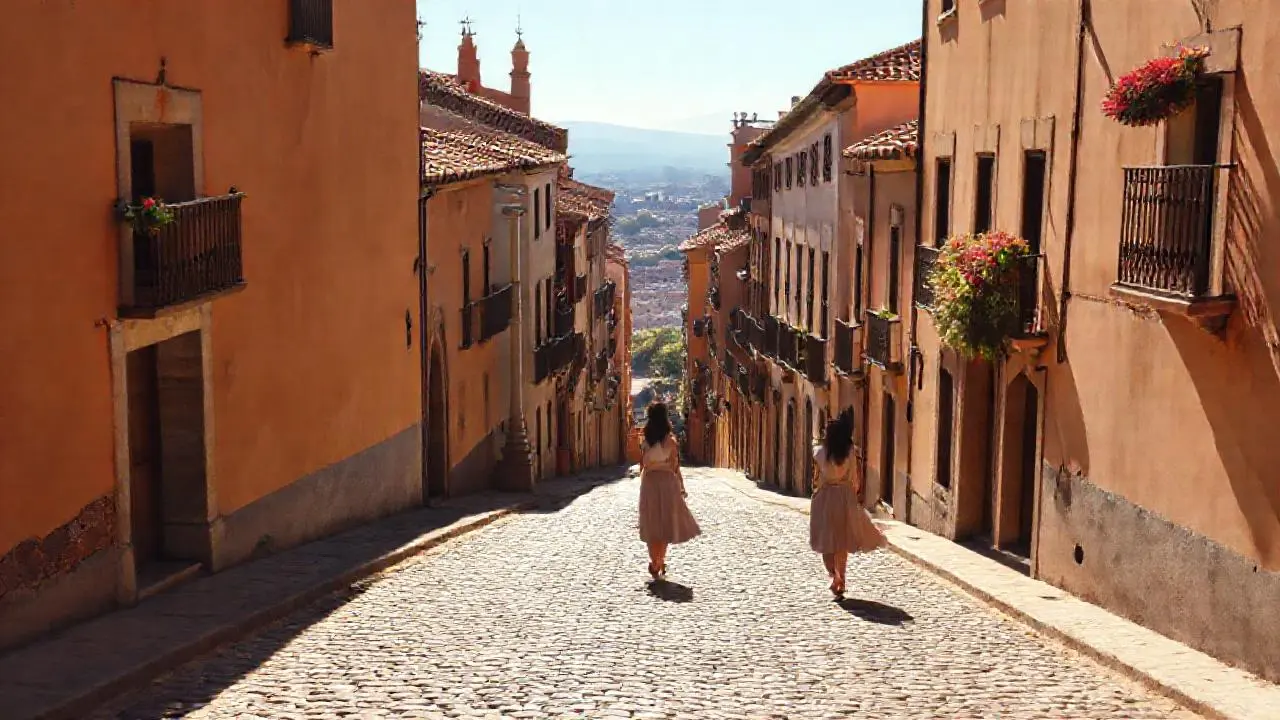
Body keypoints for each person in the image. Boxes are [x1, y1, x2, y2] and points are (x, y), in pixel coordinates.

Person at [809, 412, 887, 598]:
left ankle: (833, 575)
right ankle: (840, 578)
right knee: (842, 542)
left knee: (827, 541)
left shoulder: (820, 453)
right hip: (845, 496)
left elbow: (816, 480)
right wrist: (854, 494)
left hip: (826, 498)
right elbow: (855, 479)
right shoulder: (850, 452)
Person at [637, 402, 701, 580]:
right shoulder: (671, 442)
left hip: (649, 483)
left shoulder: (644, 440)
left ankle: (655, 561)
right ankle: (660, 560)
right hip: (667, 483)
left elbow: (642, 464)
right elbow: (675, 466)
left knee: (652, 524)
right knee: (665, 524)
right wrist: (681, 487)